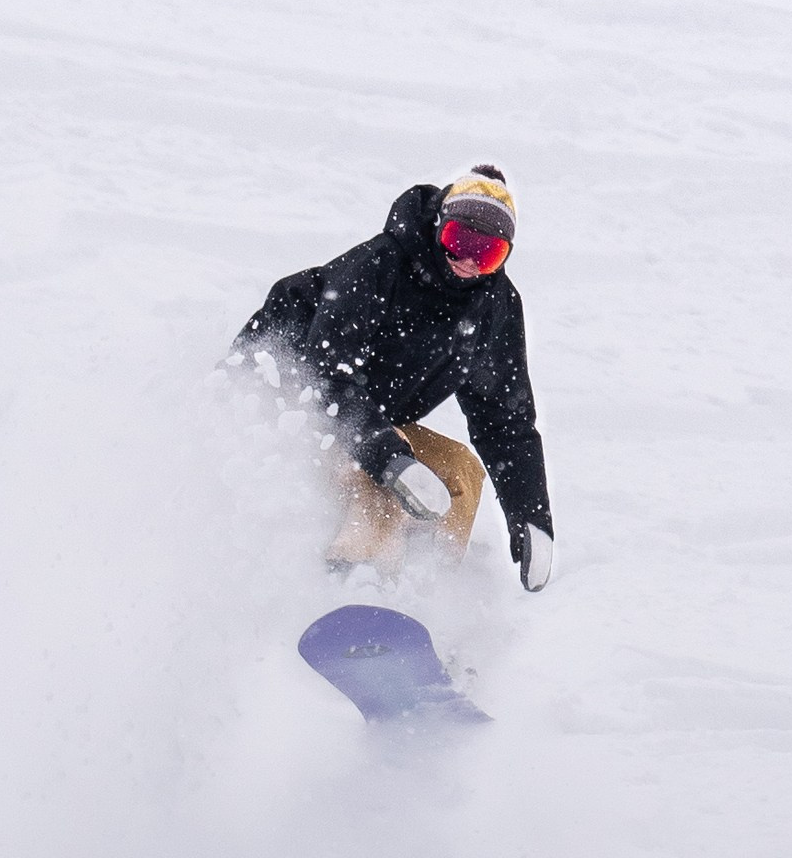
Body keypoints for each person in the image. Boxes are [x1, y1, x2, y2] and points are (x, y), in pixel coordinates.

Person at [229, 167, 555, 590]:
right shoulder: (380, 266)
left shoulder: (494, 308)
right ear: (440, 227)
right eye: (459, 241)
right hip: (286, 404)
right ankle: (351, 590)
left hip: (368, 420)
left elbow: (505, 421)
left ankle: (426, 597)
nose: (468, 262)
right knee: (386, 478)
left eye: (487, 253)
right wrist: (388, 457)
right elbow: (327, 374)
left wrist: (531, 517)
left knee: (461, 471)